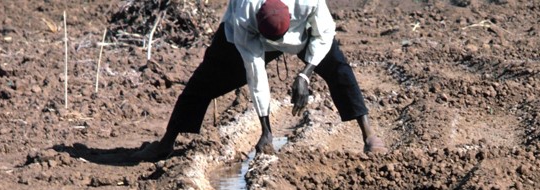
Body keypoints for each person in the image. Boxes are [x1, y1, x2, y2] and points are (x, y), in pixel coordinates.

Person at [130, 0, 387, 161]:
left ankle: (369, 134)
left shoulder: (308, 2)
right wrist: (266, 130)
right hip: (247, 35)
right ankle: (166, 143)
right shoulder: (244, 15)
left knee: (339, 69)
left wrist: (304, 75)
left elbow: (324, 34)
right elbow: (255, 72)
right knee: (204, 81)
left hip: (302, 32)